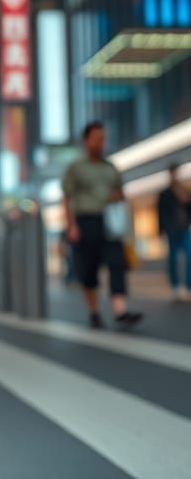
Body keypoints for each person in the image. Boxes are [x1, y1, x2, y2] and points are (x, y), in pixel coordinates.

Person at [62, 121, 142, 329]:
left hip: (110, 222)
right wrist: (72, 225)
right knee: (90, 269)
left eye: (103, 138)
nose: (101, 142)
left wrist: (117, 196)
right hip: (86, 221)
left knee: (117, 263)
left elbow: (122, 193)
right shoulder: (76, 168)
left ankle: (120, 310)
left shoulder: (111, 167)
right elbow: (67, 197)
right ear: (86, 140)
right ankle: (94, 311)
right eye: (97, 138)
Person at [158, 165, 191, 301]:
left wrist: (185, 199)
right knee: (172, 258)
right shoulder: (165, 193)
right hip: (171, 229)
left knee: (189, 255)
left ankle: (188, 286)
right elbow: (160, 212)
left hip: (184, 228)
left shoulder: (184, 190)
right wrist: (161, 229)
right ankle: (176, 287)